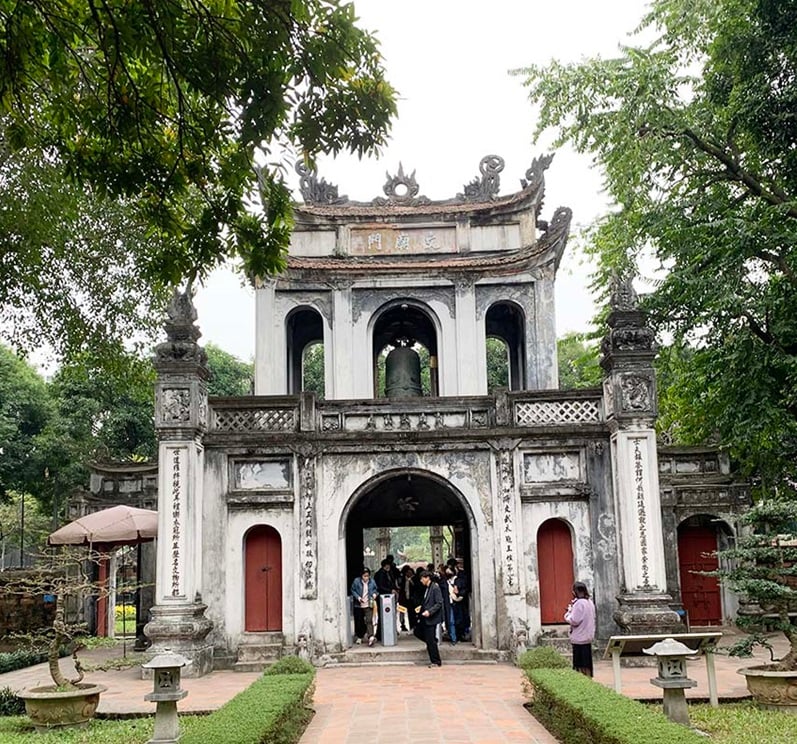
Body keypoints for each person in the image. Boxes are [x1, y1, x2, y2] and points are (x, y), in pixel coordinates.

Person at [564, 581, 596, 676]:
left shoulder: (579, 603)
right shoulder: (589, 602)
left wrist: (567, 614)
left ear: (575, 592)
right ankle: (588, 676)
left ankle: (581, 677)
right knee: (587, 660)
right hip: (588, 636)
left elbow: (574, 620)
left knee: (579, 662)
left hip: (579, 637)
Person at [414, 570, 444, 667]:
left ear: (427, 578)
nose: (421, 580)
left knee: (430, 641)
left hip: (431, 618)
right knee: (418, 632)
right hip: (425, 617)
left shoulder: (435, 588)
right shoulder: (427, 588)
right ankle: (433, 642)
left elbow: (439, 603)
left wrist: (429, 612)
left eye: (422, 578)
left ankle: (435, 661)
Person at [350, 568, 378, 647]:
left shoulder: (372, 582)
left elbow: (376, 590)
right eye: (364, 576)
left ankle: (371, 636)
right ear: (361, 576)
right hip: (359, 605)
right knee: (359, 621)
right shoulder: (356, 581)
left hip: (369, 604)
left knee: (369, 620)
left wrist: (375, 594)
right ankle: (359, 636)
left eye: (367, 576)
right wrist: (358, 598)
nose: (366, 578)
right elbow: (352, 590)